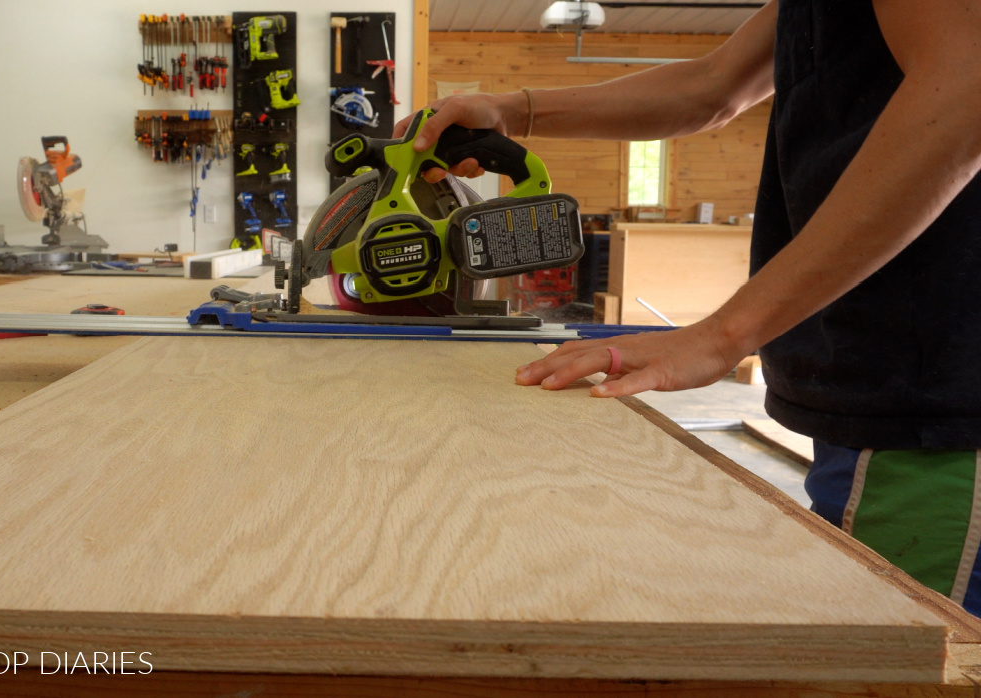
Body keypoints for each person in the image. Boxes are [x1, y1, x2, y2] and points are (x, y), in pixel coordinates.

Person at [397, 0, 981, 614]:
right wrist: (515, 110)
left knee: (900, 655)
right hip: (883, 395)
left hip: (939, 405)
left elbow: (966, 88)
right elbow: (714, 87)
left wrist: (722, 335)